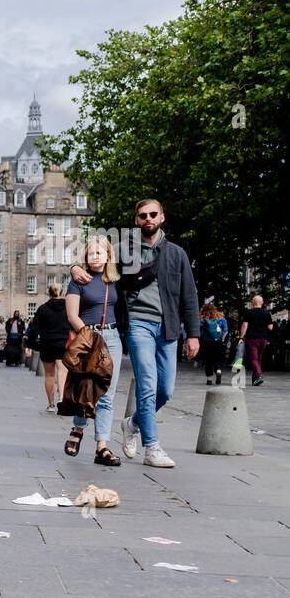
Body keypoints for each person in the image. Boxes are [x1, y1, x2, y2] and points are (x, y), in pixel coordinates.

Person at [71, 198, 200, 468]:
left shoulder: (177, 254)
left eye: (153, 214)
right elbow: (95, 258)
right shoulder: (123, 251)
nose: (148, 219)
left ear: (162, 217)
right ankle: (151, 447)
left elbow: (189, 295)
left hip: (168, 327)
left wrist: (193, 334)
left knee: (165, 390)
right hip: (137, 324)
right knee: (148, 385)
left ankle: (132, 423)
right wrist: (73, 268)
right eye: (143, 215)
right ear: (136, 220)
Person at [63, 237, 124, 465]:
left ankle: (102, 446)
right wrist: (89, 336)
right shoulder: (79, 281)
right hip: (88, 337)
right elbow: (71, 315)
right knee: (86, 390)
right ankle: (78, 429)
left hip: (113, 338)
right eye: (91, 253)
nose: (95, 256)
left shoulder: (115, 280)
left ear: (108, 255)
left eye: (100, 252)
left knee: (106, 394)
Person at [26, 283, 72, 412]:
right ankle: (62, 400)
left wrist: (30, 345)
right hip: (63, 343)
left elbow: (34, 329)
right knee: (63, 372)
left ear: (49, 293)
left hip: (47, 344)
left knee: (49, 375)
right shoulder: (68, 308)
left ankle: (51, 404)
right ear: (62, 293)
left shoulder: (42, 309)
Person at [238, 294, 273, 386]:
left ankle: (259, 376)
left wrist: (241, 337)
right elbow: (270, 327)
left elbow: (245, 325)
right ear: (262, 302)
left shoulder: (249, 312)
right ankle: (255, 380)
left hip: (251, 338)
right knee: (258, 359)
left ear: (253, 303)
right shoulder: (267, 313)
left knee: (253, 359)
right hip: (263, 339)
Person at [198, 302, 229, 385]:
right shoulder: (221, 318)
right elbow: (225, 331)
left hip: (206, 342)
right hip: (218, 342)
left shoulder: (202, 319)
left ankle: (209, 379)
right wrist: (222, 339)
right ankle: (218, 370)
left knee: (208, 360)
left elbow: (199, 331)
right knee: (218, 359)